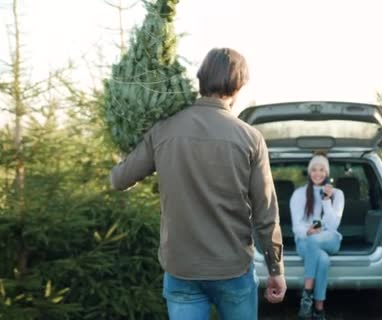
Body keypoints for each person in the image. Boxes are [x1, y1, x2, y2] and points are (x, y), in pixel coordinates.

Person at [110, 47, 286, 320]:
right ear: (238, 86)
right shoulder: (250, 138)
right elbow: (266, 213)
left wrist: (126, 145)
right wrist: (276, 269)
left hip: (182, 270)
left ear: (201, 79)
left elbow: (119, 179)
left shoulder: (163, 130)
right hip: (232, 268)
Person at [289, 154, 344, 320]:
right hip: (305, 240)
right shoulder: (299, 194)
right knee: (323, 260)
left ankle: (307, 294)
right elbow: (296, 225)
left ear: (326, 172)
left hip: (330, 239)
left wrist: (326, 200)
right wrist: (307, 231)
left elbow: (333, 225)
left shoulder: (338, 194)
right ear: (309, 172)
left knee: (316, 241)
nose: (317, 173)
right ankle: (319, 309)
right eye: (314, 169)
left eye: (321, 170)